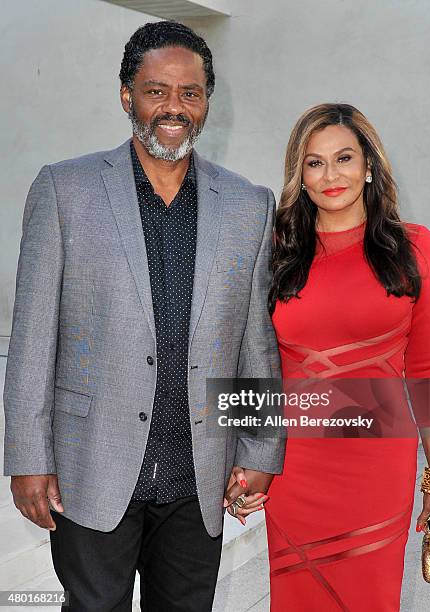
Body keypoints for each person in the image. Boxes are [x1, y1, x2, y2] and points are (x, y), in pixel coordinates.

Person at [3, 21, 285, 611]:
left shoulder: (249, 204)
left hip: (196, 476)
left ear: (207, 101)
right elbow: (32, 339)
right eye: (157, 91)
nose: (174, 108)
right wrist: (28, 458)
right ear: (127, 96)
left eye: (190, 93)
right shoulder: (65, 190)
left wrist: (260, 451)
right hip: (92, 467)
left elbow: (255, 344)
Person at [239, 103, 430, 611]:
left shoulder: (416, 249)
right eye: (314, 163)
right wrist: (247, 457)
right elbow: (254, 361)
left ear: (369, 166)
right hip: (296, 465)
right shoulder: (275, 252)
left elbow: (427, 368)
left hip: (378, 468)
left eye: (344, 158)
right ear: (300, 175)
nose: (331, 175)